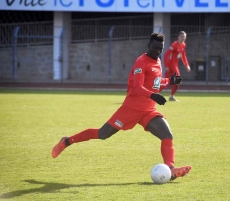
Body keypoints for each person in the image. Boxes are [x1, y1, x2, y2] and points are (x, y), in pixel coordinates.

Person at [51, 33, 192, 181]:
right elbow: (137, 87)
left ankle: (170, 170)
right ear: (148, 46)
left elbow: (155, 82)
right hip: (130, 109)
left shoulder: (157, 62)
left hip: (147, 110)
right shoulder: (141, 62)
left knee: (167, 135)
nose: (158, 51)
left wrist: (169, 80)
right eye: (155, 48)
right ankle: (67, 141)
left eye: (160, 48)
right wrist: (153, 96)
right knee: (103, 134)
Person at [161, 31, 191, 102]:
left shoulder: (183, 45)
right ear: (178, 37)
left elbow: (183, 56)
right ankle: (152, 94)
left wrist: (187, 65)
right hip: (171, 65)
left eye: (184, 37)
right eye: (181, 36)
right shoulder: (174, 45)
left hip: (175, 65)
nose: (183, 38)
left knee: (165, 83)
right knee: (177, 79)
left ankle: (171, 96)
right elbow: (166, 55)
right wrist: (166, 66)